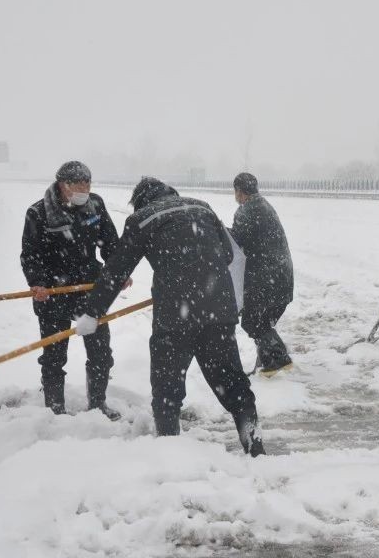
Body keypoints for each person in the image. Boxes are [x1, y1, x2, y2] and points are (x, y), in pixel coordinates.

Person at [74, 176, 264, 456]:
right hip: (218, 310)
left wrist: (92, 313)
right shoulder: (202, 207)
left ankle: (170, 453)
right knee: (232, 383)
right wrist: (197, 274)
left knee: (167, 390)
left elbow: (116, 271)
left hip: (175, 317)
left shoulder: (142, 219)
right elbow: (226, 254)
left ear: (140, 201)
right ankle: (254, 444)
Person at [19, 161, 122, 419]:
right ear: (63, 185)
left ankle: (98, 404)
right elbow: (31, 255)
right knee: (54, 354)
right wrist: (37, 283)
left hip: (90, 289)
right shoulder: (39, 212)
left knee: (101, 352)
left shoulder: (95, 205)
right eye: (78, 185)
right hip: (53, 291)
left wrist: (118, 271)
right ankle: (55, 410)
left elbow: (111, 243)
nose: (84, 189)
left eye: (88, 184)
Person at [230, 172, 294, 376]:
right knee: (262, 321)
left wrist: (218, 232)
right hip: (282, 275)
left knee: (253, 321)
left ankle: (277, 361)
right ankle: (270, 361)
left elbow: (235, 243)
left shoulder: (246, 211)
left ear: (239, 191)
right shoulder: (264, 205)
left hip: (265, 278)